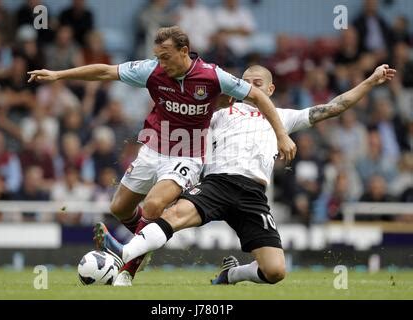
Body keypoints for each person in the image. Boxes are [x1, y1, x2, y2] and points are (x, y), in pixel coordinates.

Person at [27, 26, 296, 285]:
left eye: (166, 57)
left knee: (154, 206)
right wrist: (58, 75)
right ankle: (145, 244)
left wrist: (282, 134)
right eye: (158, 57)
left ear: (184, 51)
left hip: (187, 153)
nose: (161, 63)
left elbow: (258, 98)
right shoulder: (151, 71)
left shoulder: (213, 76)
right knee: (119, 208)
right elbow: (105, 72)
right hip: (154, 147)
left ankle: (128, 265)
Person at [93, 64, 396, 286]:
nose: (251, 87)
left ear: (270, 89)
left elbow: (332, 107)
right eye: (246, 82)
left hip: (253, 195)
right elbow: (183, 118)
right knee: (173, 215)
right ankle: (123, 252)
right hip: (217, 183)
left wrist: (370, 81)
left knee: (275, 271)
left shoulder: (283, 118)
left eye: (258, 83)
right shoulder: (219, 114)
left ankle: (233, 274)